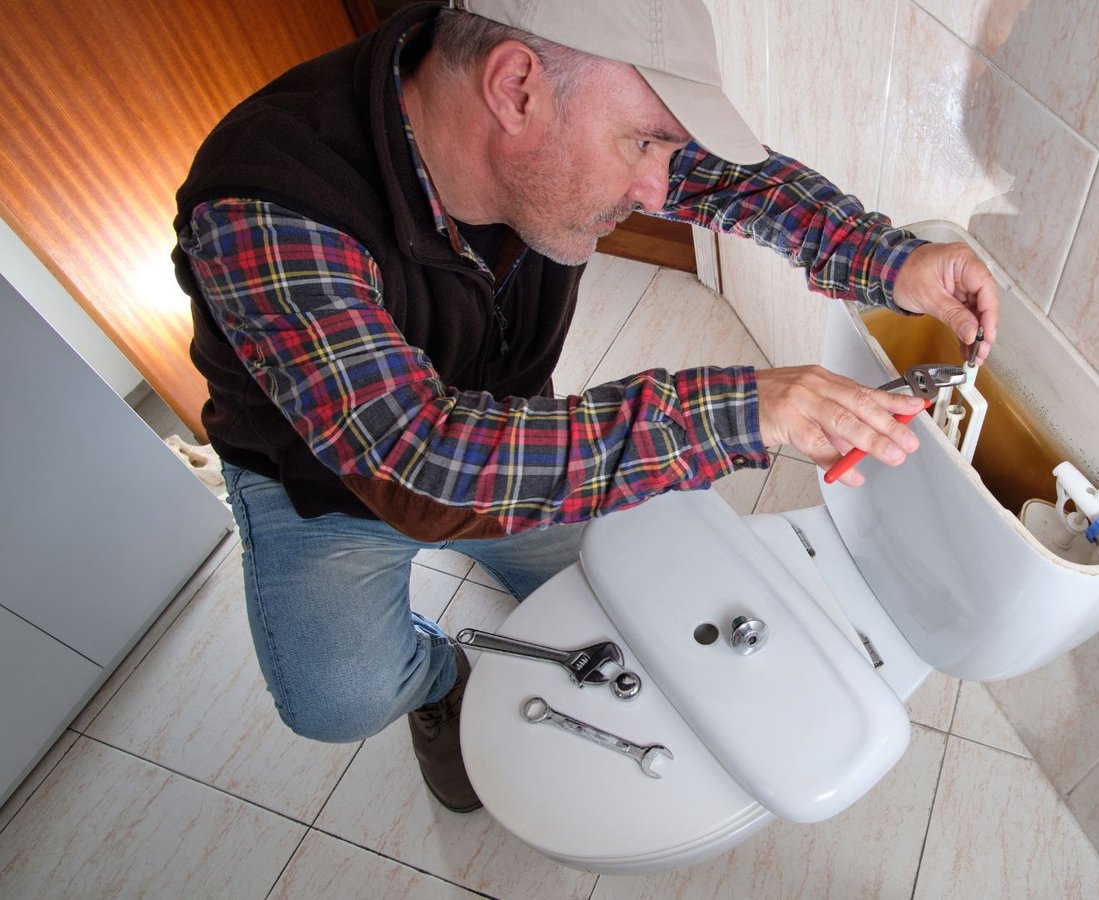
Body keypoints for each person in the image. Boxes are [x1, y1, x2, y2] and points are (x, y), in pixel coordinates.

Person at [172, 0, 999, 814]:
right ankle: (436, 680)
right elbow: (421, 463)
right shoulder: (267, 206)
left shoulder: (552, 95)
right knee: (338, 702)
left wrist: (893, 260)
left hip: (499, 431)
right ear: (516, 89)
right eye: (641, 142)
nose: (654, 186)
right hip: (317, 485)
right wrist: (740, 409)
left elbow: (736, 182)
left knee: (630, 578)